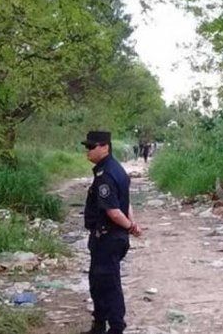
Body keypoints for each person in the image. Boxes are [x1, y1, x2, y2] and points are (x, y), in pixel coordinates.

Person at [81, 131, 142, 334]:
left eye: (92, 147)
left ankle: (116, 327)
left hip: (108, 237)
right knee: (98, 282)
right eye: (87, 147)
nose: (88, 151)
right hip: (111, 236)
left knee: (108, 284)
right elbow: (125, 202)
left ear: (105, 146)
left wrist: (130, 226)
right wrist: (132, 224)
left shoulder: (106, 174)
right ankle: (99, 324)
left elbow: (114, 212)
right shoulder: (116, 169)